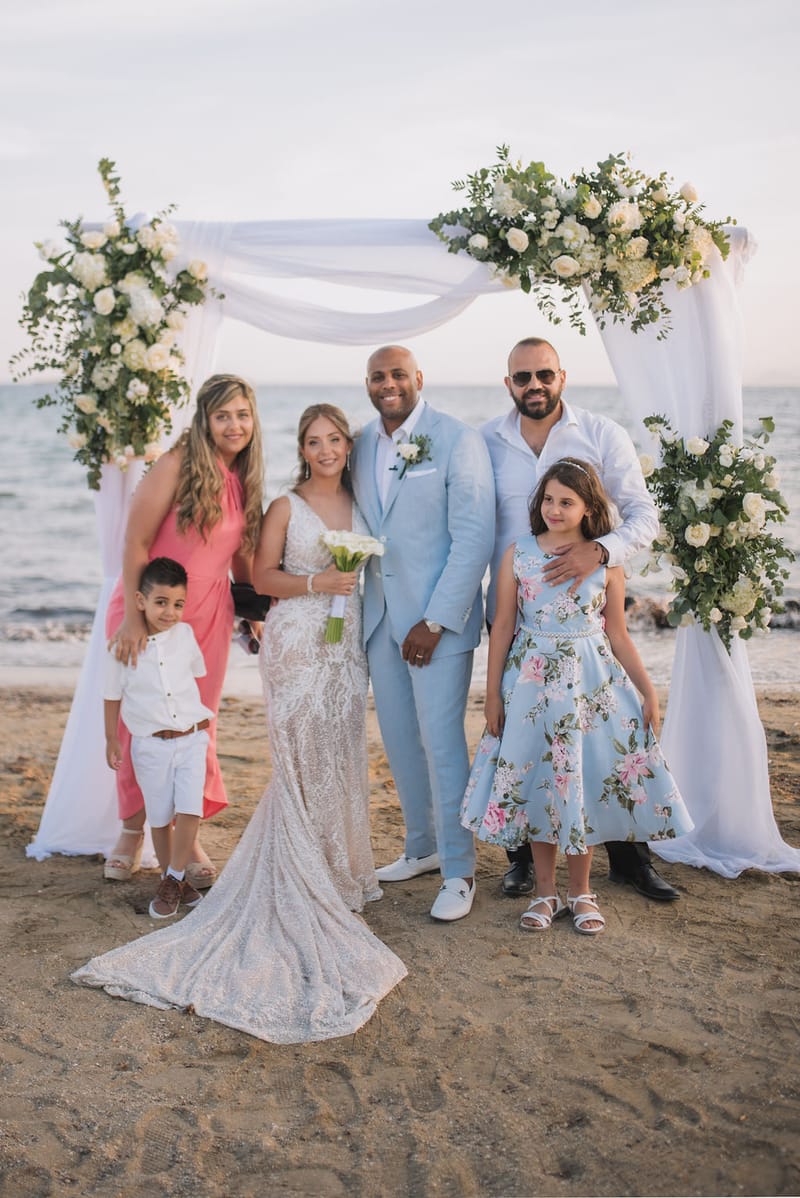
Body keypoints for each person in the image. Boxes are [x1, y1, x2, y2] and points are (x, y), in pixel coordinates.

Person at [72, 405, 406, 1043]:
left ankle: (336, 866)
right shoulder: (259, 493)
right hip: (267, 633)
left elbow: (239, 570)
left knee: (322, 750)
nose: (325, 448)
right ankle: (148, 837)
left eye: (336, 439)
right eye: (313, 440)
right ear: (300, 447)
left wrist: (251, 613)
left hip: (312, 638)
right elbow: (248, 569)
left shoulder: (335, 499)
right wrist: (144, 612)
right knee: (193, 731)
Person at [482, 337, 680, 902]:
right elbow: (476, 523)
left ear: (562, 376)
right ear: (509, 384)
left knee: (600, 740)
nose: (534, 385)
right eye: (523, 377)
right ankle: (523, 859)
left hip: (588, 612)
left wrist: (602, 551)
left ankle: (629, 859)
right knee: (525, 744)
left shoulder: (601, 434)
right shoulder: (488, 442)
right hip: (517, 610)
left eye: (544, 374)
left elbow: (643, 514)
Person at [461, 459, 693, 934]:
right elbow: (503, 626)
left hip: (591, 686)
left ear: (589, 509)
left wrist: (648, 690)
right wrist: (493, 695)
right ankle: (546, 893)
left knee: (578, 784)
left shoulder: (607, 560)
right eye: (548, 499)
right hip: (530, 685)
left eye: (566, 502)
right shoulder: (519, 554)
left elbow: (620, 635)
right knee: (542, 785)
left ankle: (582, 892)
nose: (554, 509)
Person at [350, 345, 495, 922]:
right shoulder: (360, 443)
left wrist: (435, 620)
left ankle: (460, 872)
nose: (390, 384)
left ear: (418, 379)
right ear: (368, 383)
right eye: (379, 376)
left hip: (435, 627)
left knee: (442, 746)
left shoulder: (459, 440)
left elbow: (473, 540)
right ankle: (422, 848)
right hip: (381, 619)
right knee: (401, 743)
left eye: (399, 375)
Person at [102, 374, 264, 889]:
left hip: (209, 616)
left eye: (242, 414)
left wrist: (254, 609)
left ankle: (185, 837)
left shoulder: (242, 475)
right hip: (149, 610)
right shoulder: (175, 465)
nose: (234, 424)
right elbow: (134, 543)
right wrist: (133, 616)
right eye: (223, 415)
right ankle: (130, 831)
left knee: (198, 727)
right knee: (140, 722)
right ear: (204, 419)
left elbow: (240, 556)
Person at [104, 558, 212, 919]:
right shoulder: (121, 647)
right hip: (149, 745)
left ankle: (174, 877)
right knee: (161, 817)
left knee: (189, 808)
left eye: (178, 604)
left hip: (192, 738)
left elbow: (195, 675)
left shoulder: (185, 637)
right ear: (140, 601)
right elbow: (112, 696)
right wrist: (111, 740)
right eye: (161, 602)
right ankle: (175, 881)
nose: (170, 612)